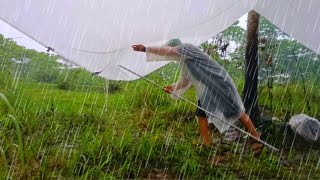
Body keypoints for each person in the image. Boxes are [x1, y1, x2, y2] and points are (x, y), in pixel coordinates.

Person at [132, 39, 263, 155]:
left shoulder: (186, 48)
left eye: (174, 51)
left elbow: (168, 51)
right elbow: (185, 80)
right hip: (208, 89)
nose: (173, 56)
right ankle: (207, 144)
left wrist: (145, 49)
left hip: (220, 83)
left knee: (237, 111)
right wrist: (172, 87)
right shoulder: (185, 62)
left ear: (176, 47)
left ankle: (256, 139)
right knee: (201, 114)